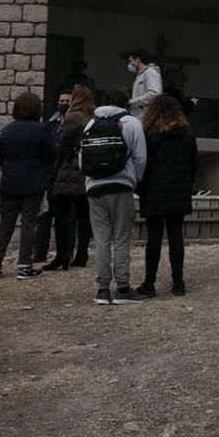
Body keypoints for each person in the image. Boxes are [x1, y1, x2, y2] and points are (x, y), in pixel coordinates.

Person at [82, 90, 149, 303]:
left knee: (101, 239)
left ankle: (102, 289)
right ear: (126, 103)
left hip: (94, 188)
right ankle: (122, 289)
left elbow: (82, 160)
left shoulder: (90, 124)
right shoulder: (131, 123)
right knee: (121, 237)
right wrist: (134, 180)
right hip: (121, 186)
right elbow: (140, 158)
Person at [0, 91, 55, 280]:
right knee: (28, 223)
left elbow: (0, 158)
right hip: (33, 182)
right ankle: (24, 266)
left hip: (10, 183)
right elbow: (50, 155)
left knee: (5, 225)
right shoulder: (40, 130)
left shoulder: (7, 130)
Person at [137, 93, 197, 297]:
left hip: (154, 190)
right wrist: (186, 184)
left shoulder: (148, 135)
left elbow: (141, 163)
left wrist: (141, 187)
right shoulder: (186, 134)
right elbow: (193, 163)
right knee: (176, 235)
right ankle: (178, 282)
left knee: (153, 238)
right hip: (178, 189)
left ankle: (149, 282)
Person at [44, 85, 93, 270]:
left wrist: (55, 168)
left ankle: (62, 255)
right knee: (84, 217)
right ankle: (82, 254)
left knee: (61, 215)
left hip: (68, 172)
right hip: (86, 172)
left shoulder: (73, 117)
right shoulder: (92, 117)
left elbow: (63, 145)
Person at [125, 49, 163, 116]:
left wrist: (132, 102)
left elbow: (154, 94)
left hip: (147, 118)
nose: (130, 64)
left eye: (131, 61)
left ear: (138, 60)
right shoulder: (140, 75)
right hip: (140, 117)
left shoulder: (150, 72)